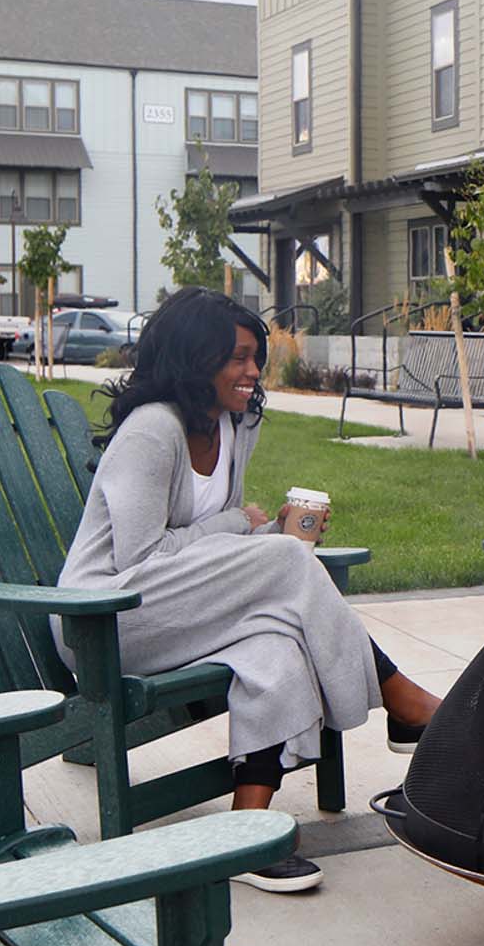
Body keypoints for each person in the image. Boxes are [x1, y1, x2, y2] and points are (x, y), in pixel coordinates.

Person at [56, 287, 440, 895]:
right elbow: (141, 558)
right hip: (107, 617)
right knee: (284, 563)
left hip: (182, 606)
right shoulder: (152, 431)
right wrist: (247, 531)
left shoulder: (238, 424)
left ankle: (248, 829)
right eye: (236, 357)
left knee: (277, 638)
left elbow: (210, 534)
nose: (252, 371)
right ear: (193, 357)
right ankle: (403, 702)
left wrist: (262, 530)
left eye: (255, 357)